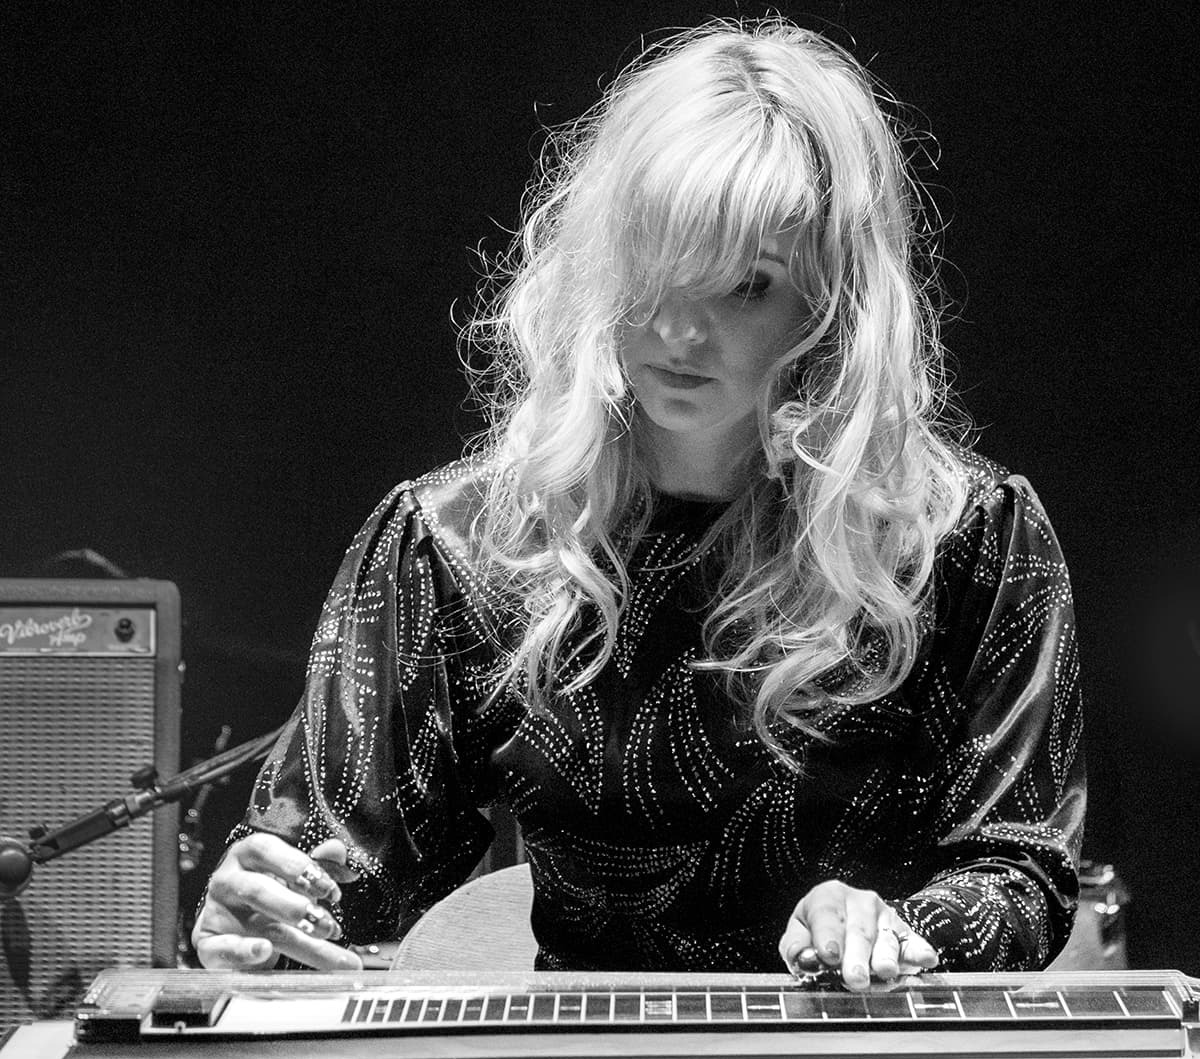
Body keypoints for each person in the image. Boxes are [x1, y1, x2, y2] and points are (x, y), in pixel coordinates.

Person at [194, 18, 1085, 990]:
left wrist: (899, 928)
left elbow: (1022, 867)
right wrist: (262, 920)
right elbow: (337, 878)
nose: (676, 329)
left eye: (745, 285)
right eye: (655, 270)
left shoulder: (964, 539)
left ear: (834, 303)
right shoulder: (461, 547)